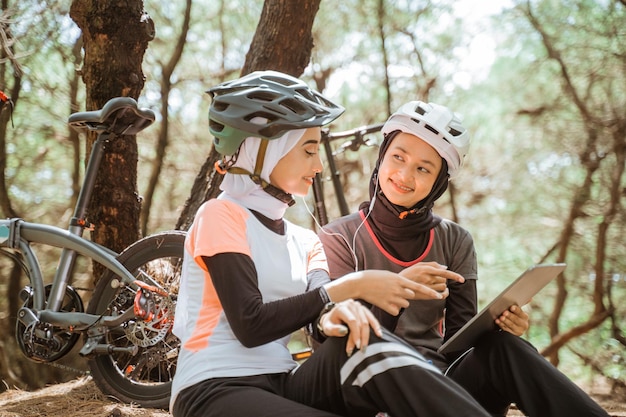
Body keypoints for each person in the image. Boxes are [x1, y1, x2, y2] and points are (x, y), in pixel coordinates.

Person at [169, 71, 493, 417]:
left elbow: (320, 314)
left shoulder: (305, 239)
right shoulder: (220, 215)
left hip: (285, 383)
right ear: (264, 151)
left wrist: (345, 309)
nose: (319, 165)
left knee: (364, 340)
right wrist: (347, 288)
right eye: (309, 151)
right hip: (214, 387)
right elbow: (251, 324)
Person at [318, 100, 610, 417]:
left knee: (505, 348)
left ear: (438, 182)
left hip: (444, 384)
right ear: (382, 156)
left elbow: (460, 342)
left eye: (423, 168)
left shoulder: (455, 240)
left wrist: (501, 326)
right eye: (398, 157)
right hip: (375, 389)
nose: (404, 174)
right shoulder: (338, 237)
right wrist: (399, 291)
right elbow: (345, 345)